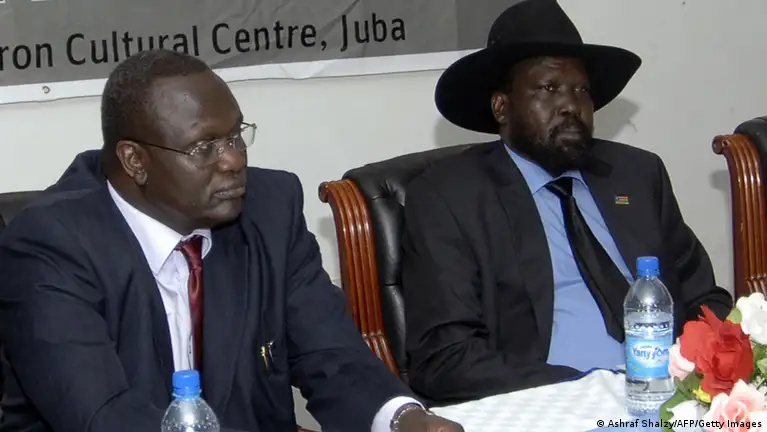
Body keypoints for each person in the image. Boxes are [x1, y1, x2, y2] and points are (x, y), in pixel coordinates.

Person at [0, 49, 463, 432]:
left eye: (236, 135)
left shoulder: (269, 209)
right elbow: (102, 416)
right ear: (134, 161)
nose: (234, 160)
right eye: (205, 147)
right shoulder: (48, 245)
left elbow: (332, 356)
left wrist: (404, 419)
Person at [401, 0, 733, 406]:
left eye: (581, 90)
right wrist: (585, 387)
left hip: (667, 395)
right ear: (502, 107)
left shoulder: (637, 175)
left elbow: (706, 301)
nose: (571, 106)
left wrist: (693, 369)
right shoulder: (449, 198)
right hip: (546, 403)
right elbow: (445, 356)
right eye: (549, 89)